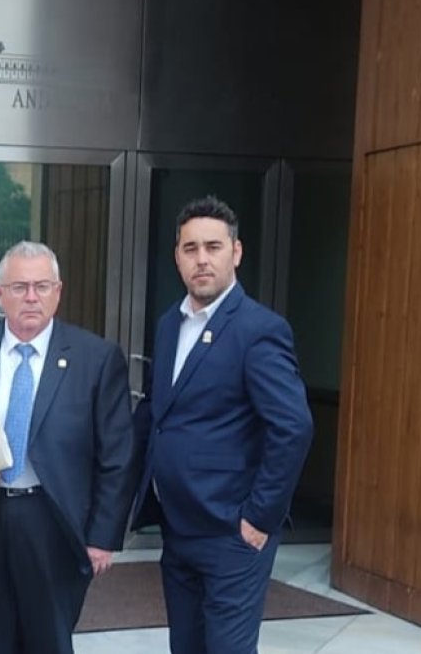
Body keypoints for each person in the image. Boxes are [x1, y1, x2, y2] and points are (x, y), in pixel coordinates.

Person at [0, 241, 139, 654]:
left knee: (49, 643)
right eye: (19, 287)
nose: (32, 297)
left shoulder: (96, 357)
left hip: (54, 524)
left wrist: (103, 537)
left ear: (59, 291)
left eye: (42, 286)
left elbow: (118, 455)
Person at [134, 195, 313, 653]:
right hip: (179, 528)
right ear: (177, 256)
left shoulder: (258, 329)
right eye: (190, 249)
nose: (201, 260)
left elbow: (292, 427)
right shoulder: (170, 325)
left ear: (236, 253)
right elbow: (161, 415)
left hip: (232, 533)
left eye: (213, 247)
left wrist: (259, 517)